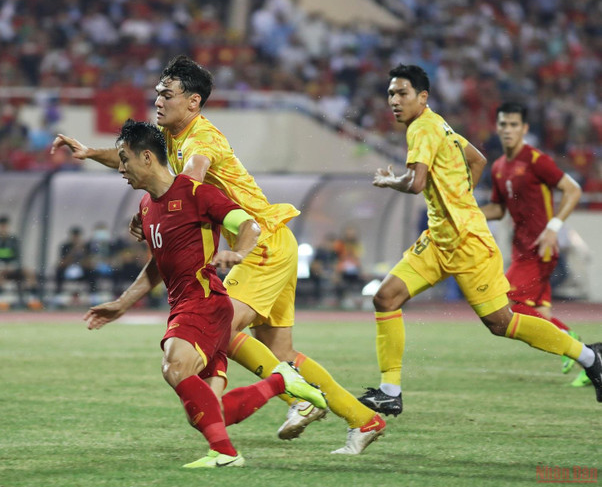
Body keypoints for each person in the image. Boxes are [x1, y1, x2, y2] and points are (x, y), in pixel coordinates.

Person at [53, 55, 385, 453]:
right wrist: (90, 152)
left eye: (167, 94)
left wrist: (157, 210)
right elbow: (139, 159)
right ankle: (363, 419)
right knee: (280, 352)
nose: (158, 100)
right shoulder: (173, 136)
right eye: (158, 93)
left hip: (259, 245)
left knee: (216, 327)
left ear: (193, 102)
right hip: (272, 241)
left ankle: (295, 396)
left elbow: (187, 182)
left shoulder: (201, 141)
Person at [358, 64, 602, 417]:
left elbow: (415, 182)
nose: (394, 100)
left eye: (402, 93)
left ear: (422, 97)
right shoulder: (439, 123)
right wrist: (459, 198)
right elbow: (478, 159)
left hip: (468, 243)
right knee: (386, 297)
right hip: (439, 239)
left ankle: (591, 358)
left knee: (502, 323)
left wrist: (389, 181)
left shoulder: (422, 128)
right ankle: (389, 392)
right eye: (391, 94)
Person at [84, 120, 327, 468]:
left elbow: (248, 225)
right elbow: (159, 263)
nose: (120, 168)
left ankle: (227, 454)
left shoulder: (195, 192)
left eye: (125, 159)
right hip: (186, 305)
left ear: (147, 157)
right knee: (207, 413)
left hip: (205, 302)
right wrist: (122, 304)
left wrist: (239, 253)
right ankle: (279, 383)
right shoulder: (147, 207)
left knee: (175, 364)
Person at [479, 102, 588, 387]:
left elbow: (573, 190)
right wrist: (467, 212)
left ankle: (569, 340)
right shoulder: (499, 167)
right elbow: (498, 209)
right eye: (503, 124)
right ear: (497, 127)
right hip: (521, 250)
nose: (508, 129)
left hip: (541, 248)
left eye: (514, 124)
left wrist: (553, 228)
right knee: (541, 314)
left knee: (507, 304)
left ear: (524, 128)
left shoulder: (536, 160)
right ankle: (591, 363)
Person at [0, 214, 41, 309]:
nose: (3, 228)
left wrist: (12, 265)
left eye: (5, 226)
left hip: (12, 268)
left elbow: (18, 256)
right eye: (1, 226)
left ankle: (33, 299)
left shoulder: (13, 240)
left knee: (29, 272)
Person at [54, 226, 92, 298]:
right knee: (59, 270)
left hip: (82, 268)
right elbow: (62, 262)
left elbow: (89, 263)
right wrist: (73, 251)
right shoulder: (65, 246)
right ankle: (58, 293)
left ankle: (92, 294)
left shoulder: (85, 247)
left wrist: (82, 251)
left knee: (92, 272)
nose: (76, 238)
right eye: (74, 236)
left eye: (77, 236)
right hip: (68, 268)